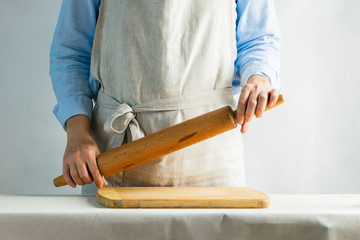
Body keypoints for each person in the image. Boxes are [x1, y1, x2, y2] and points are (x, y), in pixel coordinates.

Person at [50, 0, 281, 194]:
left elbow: (258, 39)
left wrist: (259, 77)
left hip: (212, 149)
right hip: (116, 153)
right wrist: (78, 134)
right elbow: (71, 50)